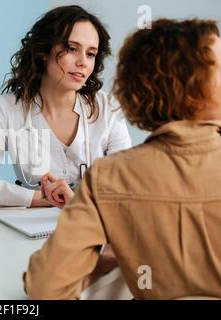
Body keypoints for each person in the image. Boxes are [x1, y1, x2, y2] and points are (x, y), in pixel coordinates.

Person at [23, 18, 221, 299]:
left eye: (90, 53)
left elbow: (45, 289)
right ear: (194, 86)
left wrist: (111, 256)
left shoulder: (108, 177)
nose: (82, 61)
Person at [0, 5, 131, 209]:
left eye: (91, 53)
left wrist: (75, 203)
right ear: (43, 52)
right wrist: (38, 198)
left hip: (96, 228)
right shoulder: (7, 109)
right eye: (72, 49)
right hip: (31, 227)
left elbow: (127, 187)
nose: (83, 62)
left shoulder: (107, 109)